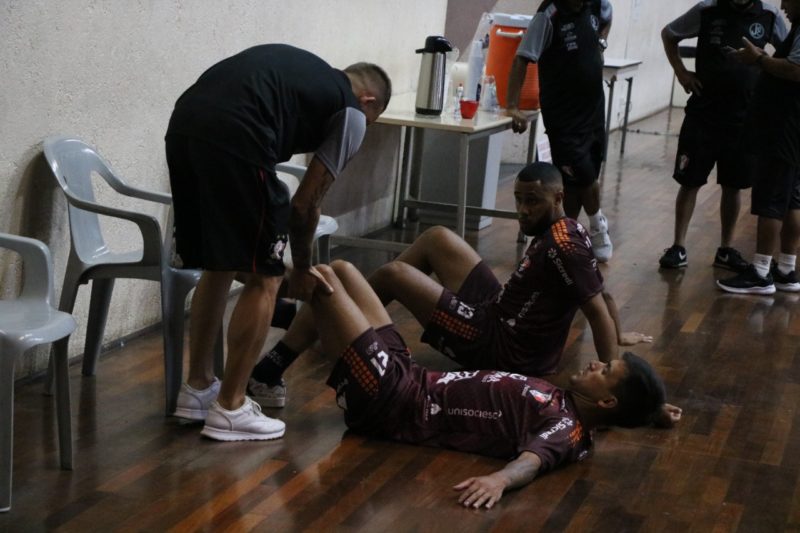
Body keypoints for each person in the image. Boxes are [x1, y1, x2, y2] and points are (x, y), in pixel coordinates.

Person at [249, 162, 651, 406]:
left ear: (559, 197)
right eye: (519, 199)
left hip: (501, 347)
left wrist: (616, 379)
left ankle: (284, 356)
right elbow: (603, 292)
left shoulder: (564, 248)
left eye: (534, 201)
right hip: (500, 310)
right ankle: (325, 319)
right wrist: (622, 332)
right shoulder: (568, 229)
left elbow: (596, 309)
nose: (523, 210)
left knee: (392, 274)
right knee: (437, 237)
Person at [294, 259, 675, 509]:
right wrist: (652, 411)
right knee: (343, 269)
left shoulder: (565, 428)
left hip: (393, 401)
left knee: (324, 282)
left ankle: (260, 286)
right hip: (407, 373)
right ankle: (285, 320)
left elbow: (532, 462)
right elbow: (615, 416)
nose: (594, 363)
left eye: (604, 371)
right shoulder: (585, 412)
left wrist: (499, 481)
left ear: (606, 401)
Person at [165, 44, 391, 441]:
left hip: (184, 124)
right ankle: (231, 406)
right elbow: (305, 207)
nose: (363, 131)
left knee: (218, 265)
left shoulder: (307, 77)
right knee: (264, 275)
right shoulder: (352, 114)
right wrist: (300, 269)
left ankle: (198, 388)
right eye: (372, 121)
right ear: (368, 100)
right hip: (238, 133)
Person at [658, 0, 787, 272]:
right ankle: (678, 246)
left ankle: (726, 249)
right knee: (689, 181)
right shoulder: (707, 10)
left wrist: (765, 67)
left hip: (744, 119)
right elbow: (669, 34)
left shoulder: (770, 15)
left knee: (733, 185)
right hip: (704, 114)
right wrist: (682, 73)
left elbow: (788, 58)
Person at [506, 0, 614, 262]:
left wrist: (601, 42)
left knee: (576, 182)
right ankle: (598, 226)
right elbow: (522, 59)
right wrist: (513, 106)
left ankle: (566, 238)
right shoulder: (549, 14)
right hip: (564, 116)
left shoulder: (597, 5)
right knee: (584, 175)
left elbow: (608, 18)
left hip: (593, 109)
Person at [718, 0, 800, 295]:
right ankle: (787, 269)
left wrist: (759, 60)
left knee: (772, 200)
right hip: (791, 130)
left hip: (784, 130)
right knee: (791, 200)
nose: (783, 6)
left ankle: (761, 272)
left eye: (788, 0)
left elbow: (795, 70)